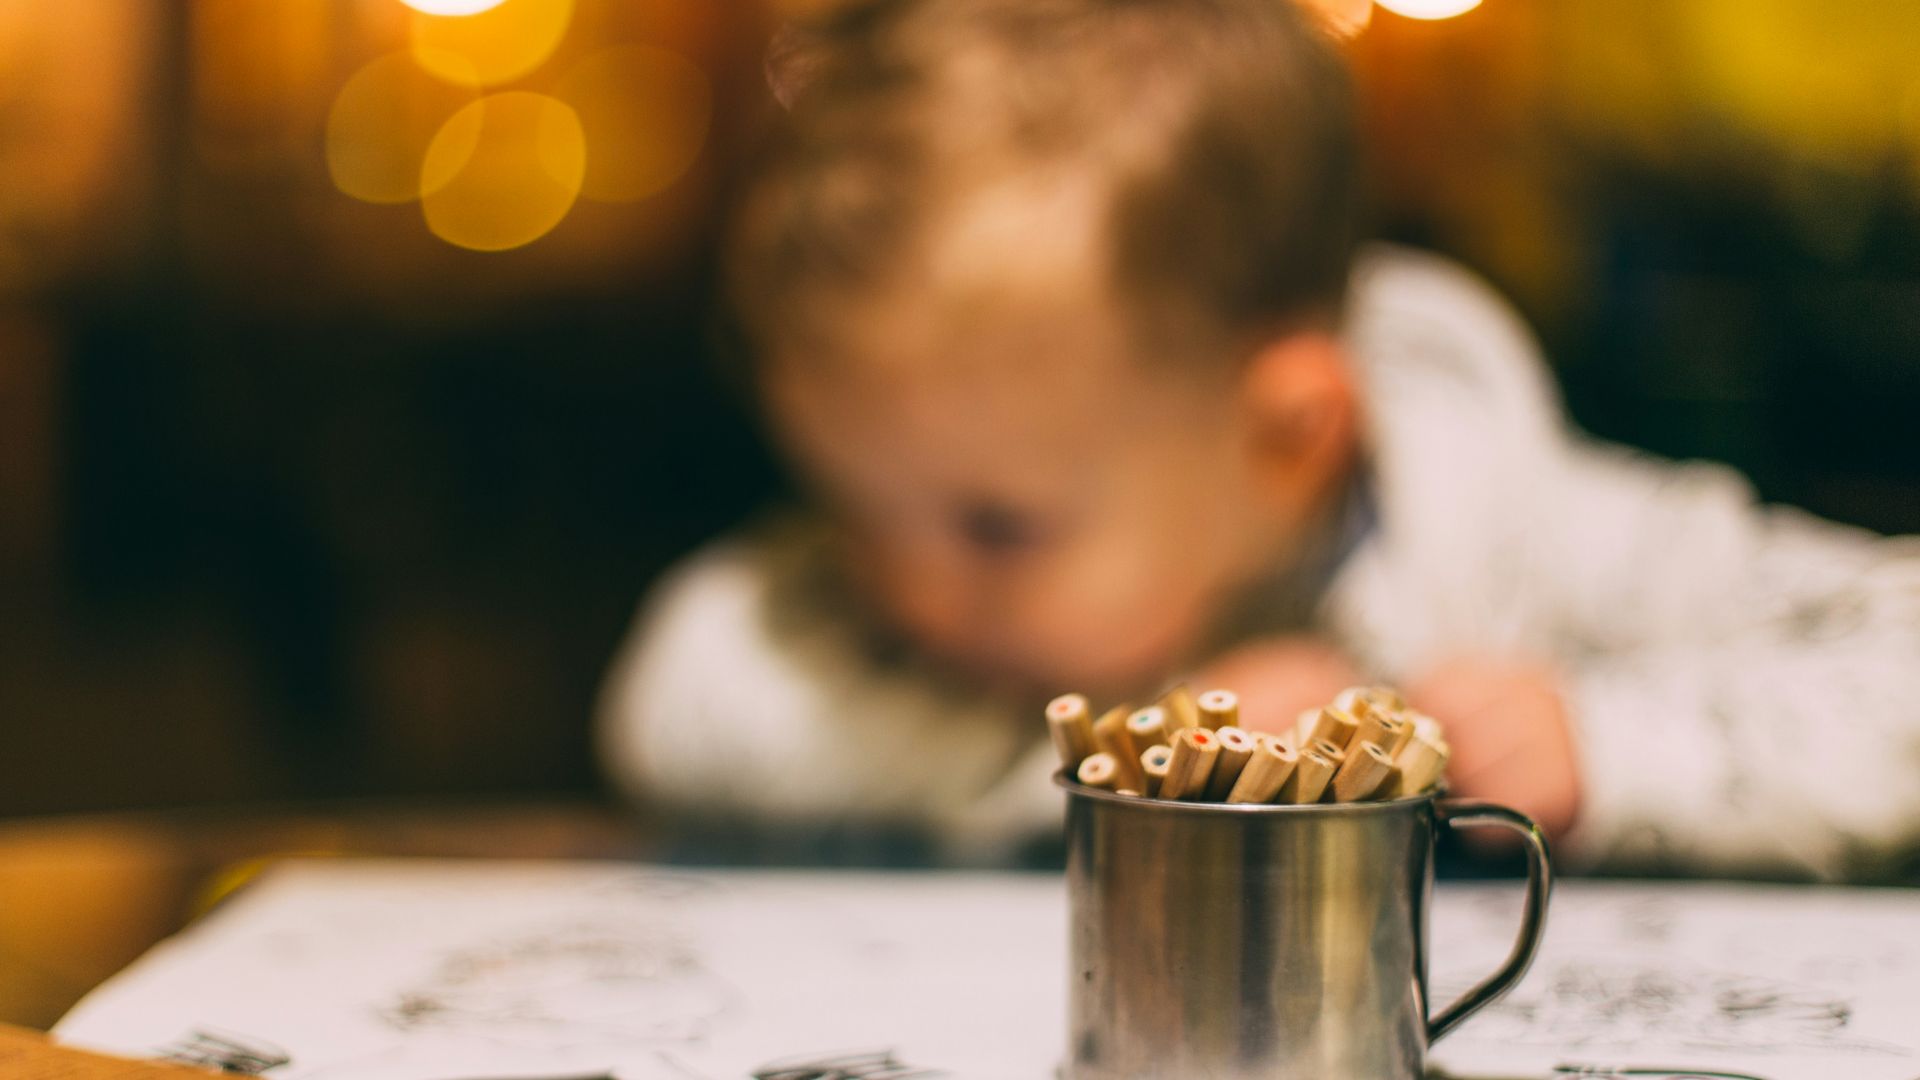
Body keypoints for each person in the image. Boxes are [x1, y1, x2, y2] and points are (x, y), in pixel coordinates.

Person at [598, 0, 1920, 877]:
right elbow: (679, 694)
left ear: (1291, 435)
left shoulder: (1504, 528)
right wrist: (1123, 753)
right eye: (845, 505)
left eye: (993, 525)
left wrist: (1615, 750)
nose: (903, 583)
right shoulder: (924, 578)